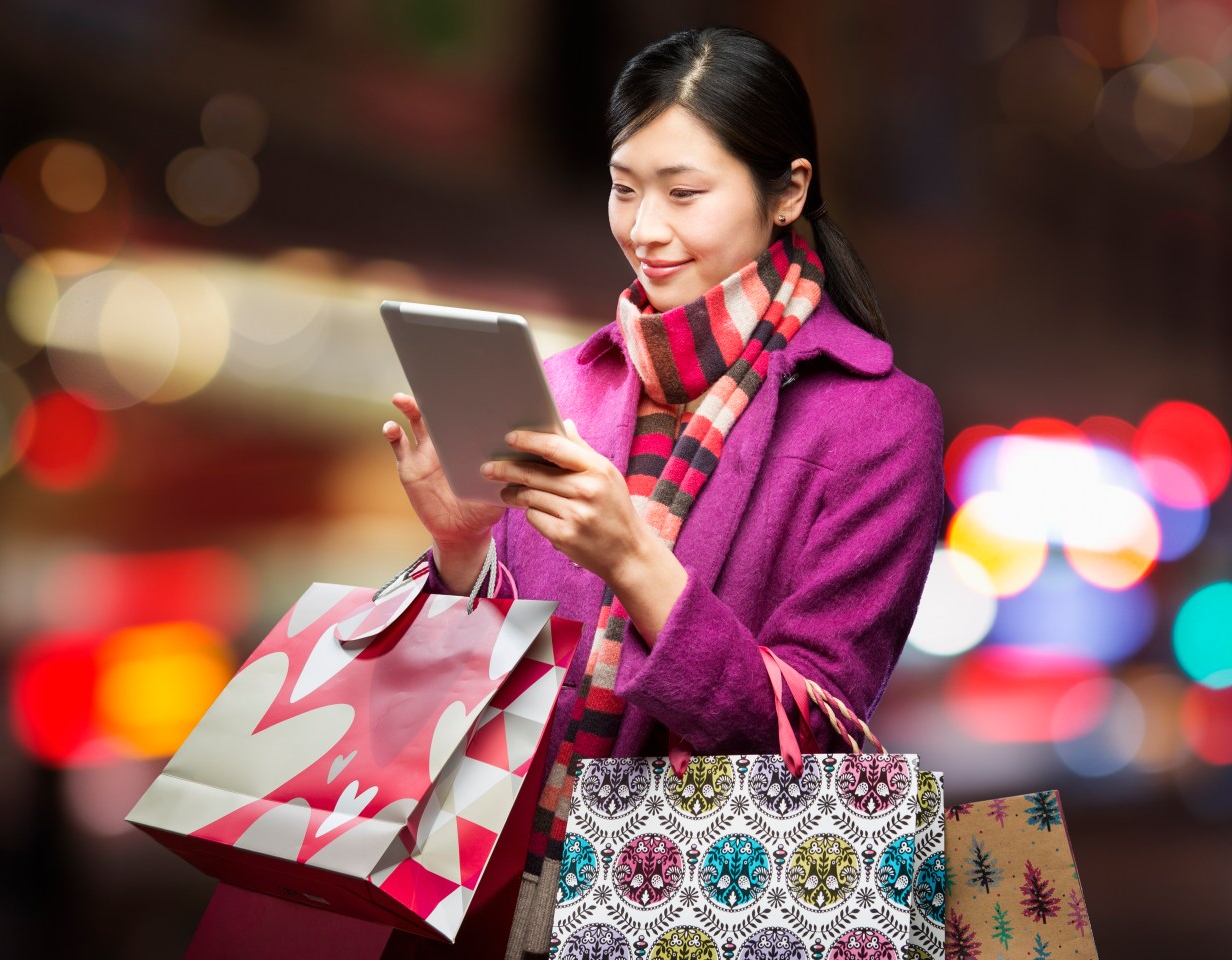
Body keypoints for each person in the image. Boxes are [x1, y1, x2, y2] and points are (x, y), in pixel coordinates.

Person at [381, 26, 943, 960]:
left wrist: (634, 562)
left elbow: (814, 746)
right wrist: (461, 549)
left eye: (685, 193)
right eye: (625, 186)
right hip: (495, 907)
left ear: (788, 193)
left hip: (709, 915)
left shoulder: (878, 422)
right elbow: (465, 710)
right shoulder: (559, 389)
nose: (646, 228)